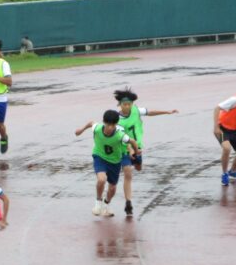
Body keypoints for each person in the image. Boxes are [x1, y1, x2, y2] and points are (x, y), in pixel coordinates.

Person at [115, 87, 178, 215]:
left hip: (138, 147)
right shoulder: (118, 120)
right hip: (124, 148)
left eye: (129, 104)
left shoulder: (136, 110)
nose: (126, 106)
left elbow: (150, 112)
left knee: (138, 168)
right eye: (124, 104)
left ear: (132, 104)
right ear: (120, 105)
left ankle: (136, 162)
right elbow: (122, 139)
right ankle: (128, 202)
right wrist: (130, 151)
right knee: (128, 173)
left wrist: (167, 112)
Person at [75, 110, 140, 217]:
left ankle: (107, 204)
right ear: (104, 122)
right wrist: (81, 130)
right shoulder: (97, 128)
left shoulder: (120, 135)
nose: (110, 127)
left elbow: (132, 141)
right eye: (108, 124)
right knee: (101, 179)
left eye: (113, 125)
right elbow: (91, 122)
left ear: (116, 124)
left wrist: (136, 153)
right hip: (99, 157)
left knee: (112, 188)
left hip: (115, 162)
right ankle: (98, 203)